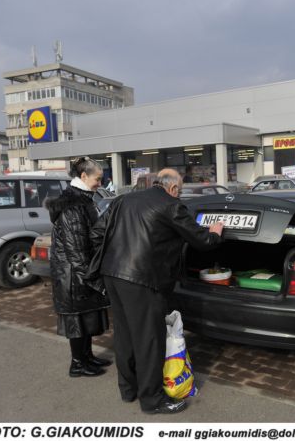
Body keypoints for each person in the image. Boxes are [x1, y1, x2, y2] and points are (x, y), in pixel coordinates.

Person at [90, 168, 223, 414]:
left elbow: (97, 233)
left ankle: (128, 390)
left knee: (125, 335)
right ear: (172, 188)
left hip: (113, 274)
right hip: (143, 280)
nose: (179, 195)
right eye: (180, 191)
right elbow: (201, 241)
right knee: (149, 340)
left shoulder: (124, 199)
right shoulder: (171, 205)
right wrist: (215, 233)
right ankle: (152, 400)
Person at [45, 156, 112, 377]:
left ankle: (87, 356)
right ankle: (77, 363)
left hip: (76, 273)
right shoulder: (73, 205)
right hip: (73, 275)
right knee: (77, 321)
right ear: (83, 176)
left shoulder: (80, 199)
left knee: (85, 319)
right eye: (98, 179)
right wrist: (93, 278)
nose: (100, 184)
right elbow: (77, 250)